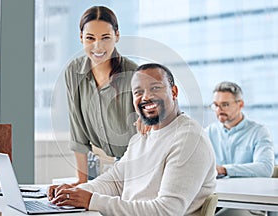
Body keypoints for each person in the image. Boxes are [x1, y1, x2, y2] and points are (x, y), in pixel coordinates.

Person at [48, 63, 217, 215]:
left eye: (155, 88)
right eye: (138, 92)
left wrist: (91, 201)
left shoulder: (189, 139)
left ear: (174, 92)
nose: (145, 97)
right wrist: (73, 193)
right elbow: (114, 182)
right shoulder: (141, 138)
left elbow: (167, 210)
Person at [65, 6, 139, 185]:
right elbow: (78, 132)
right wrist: (81, 182)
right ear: (81, 38)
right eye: (90, 38)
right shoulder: (74, 71)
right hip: (114, 168)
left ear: (117, 36)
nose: (98, 46)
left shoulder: (134, 73)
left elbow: (148, 133)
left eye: (105, 38)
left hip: (140, 166)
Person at [205, 81, 275, 216]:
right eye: (216, 105)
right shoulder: (209, 132)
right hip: (217, 198)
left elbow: (265, 169)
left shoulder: (259, 131)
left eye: (225, 104)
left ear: (240, 104)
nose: (219, 110)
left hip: (249, 203)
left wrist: (225, 170)